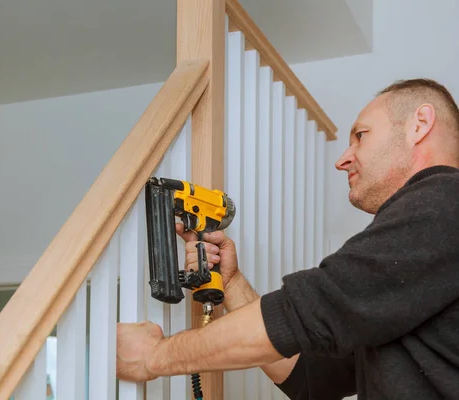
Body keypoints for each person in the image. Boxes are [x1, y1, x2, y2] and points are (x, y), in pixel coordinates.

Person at [115, 78, 459, 399]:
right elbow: (310, 376)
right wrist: (232, 284)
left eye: (361, 136)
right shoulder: (424, 254)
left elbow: (306, 314)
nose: (343, 159)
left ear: (420, 124)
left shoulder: (445, 200)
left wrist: (154, 356)